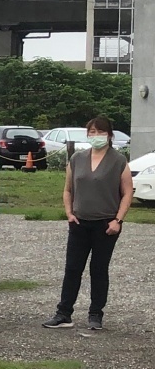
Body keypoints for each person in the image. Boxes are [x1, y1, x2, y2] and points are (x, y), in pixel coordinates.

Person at [42, 116, 133, 331]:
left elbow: (127, 192)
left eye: (100, 132)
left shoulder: (118, 160)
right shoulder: (77, 158)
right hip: (80, 222)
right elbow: (67, 189)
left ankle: (96, 314)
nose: (95, 136)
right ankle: (64, 313)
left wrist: (118, 220)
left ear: (109, 135)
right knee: (72, 268)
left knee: (98, 269)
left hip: (106, 224)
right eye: (92, 132)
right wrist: (69, 212)